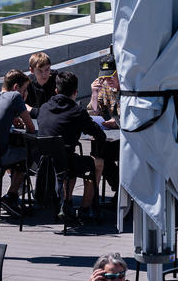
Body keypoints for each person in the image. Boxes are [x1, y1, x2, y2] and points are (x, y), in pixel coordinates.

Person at [35, 70, 107, 223]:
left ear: (56, 90)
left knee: (67, 158)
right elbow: (99, 134)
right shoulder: (77, 111)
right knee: (98, 163)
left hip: (44, 164)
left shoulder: (44, 108)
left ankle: (66, 203)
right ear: (75, 92)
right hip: (66, 163)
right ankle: (85, 209)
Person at [0, 69, 34, 212]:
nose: (26, 93)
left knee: (0, 152)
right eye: (25, 89)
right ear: (16, 88)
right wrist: (22, 102)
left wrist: (12, 117)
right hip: (0, 154)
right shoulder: (15, 97)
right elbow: (30, 128)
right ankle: (11, 196)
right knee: (26, 154)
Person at [86, 54, 122, 200]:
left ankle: (122, 191)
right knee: (98, 155)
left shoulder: (130, 87)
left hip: (132, 137)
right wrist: (94, 94)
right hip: (113, 137)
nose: (108, 80)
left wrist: (118, 122)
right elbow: (94, 112)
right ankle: (119, 188)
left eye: (112, 76)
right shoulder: (106, 86)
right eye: (105, 77)